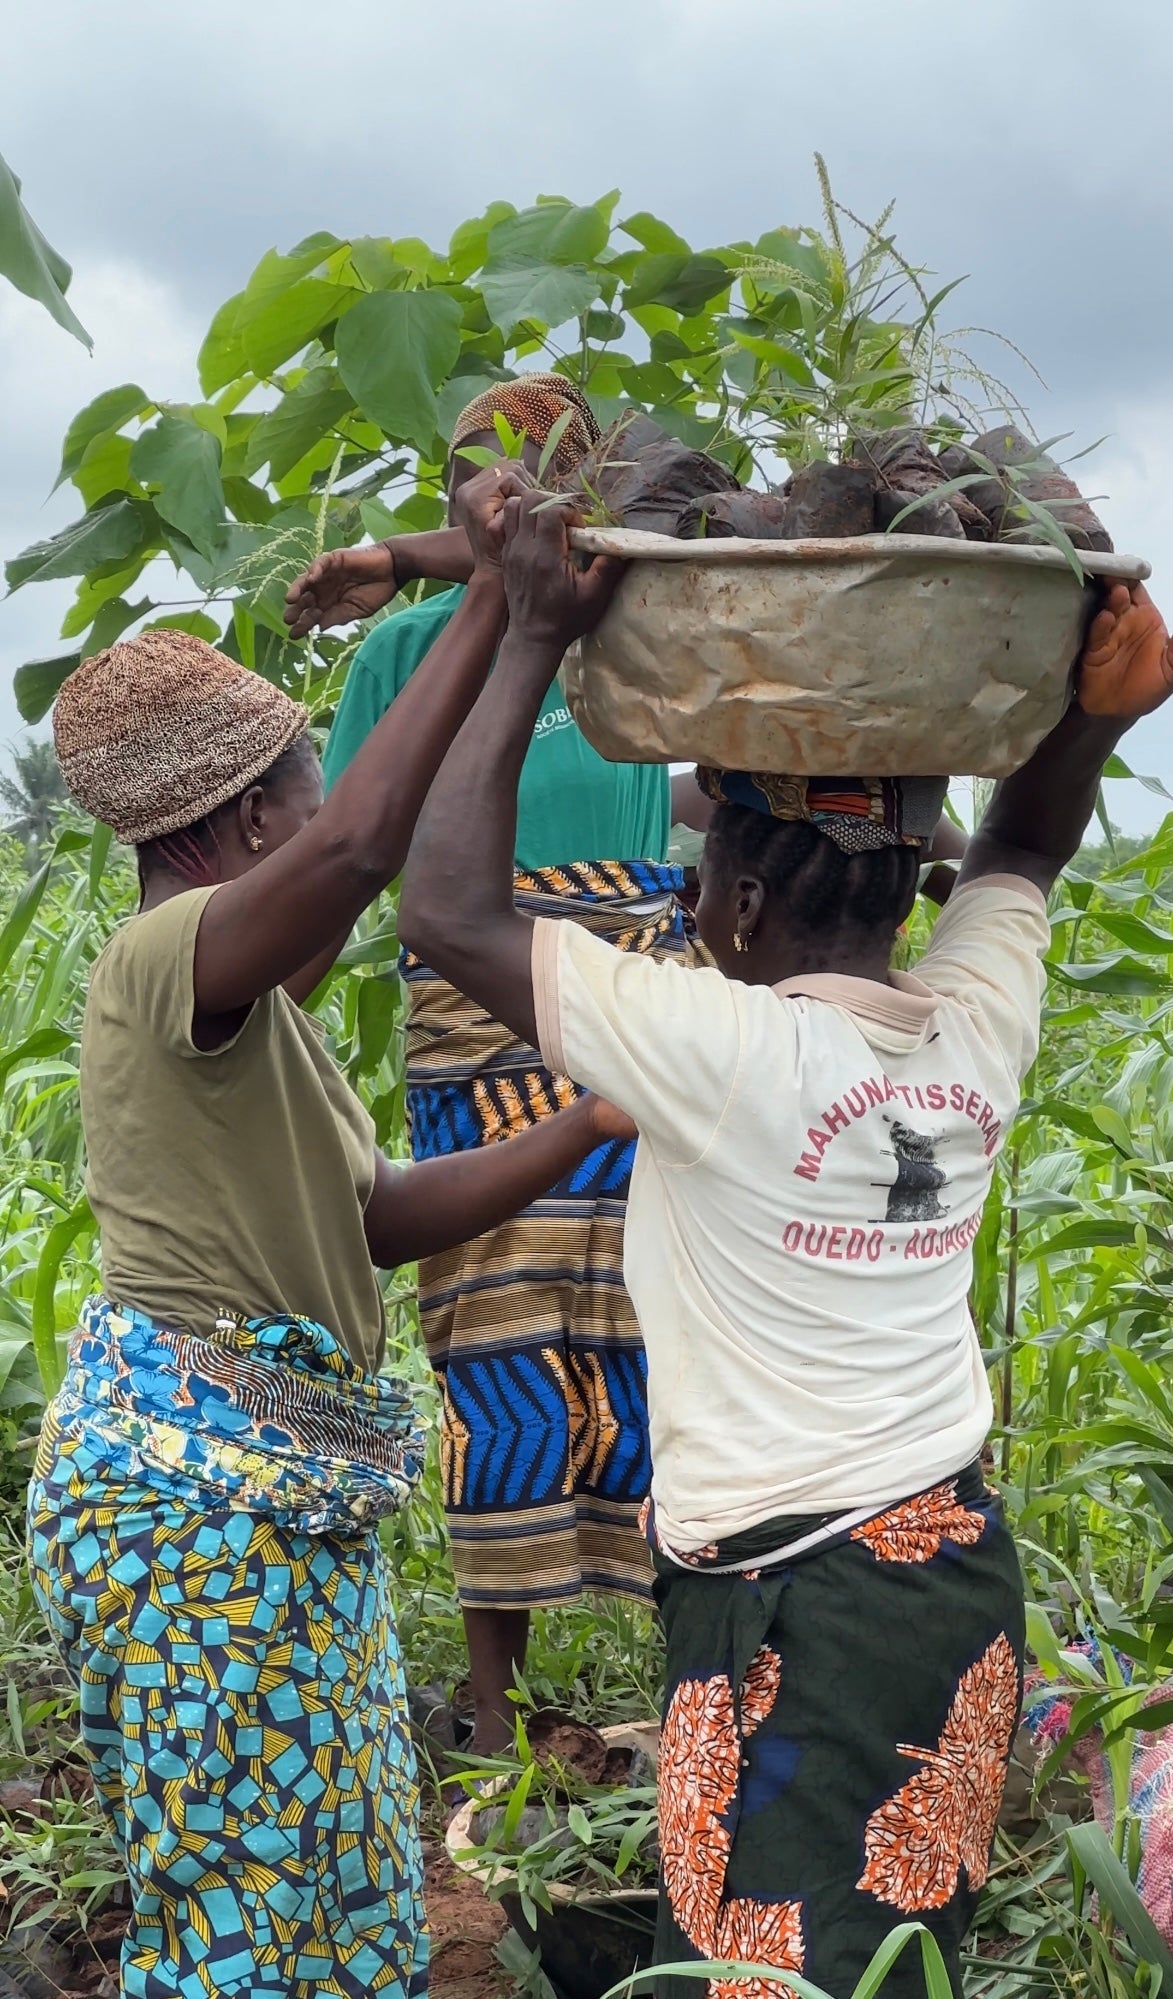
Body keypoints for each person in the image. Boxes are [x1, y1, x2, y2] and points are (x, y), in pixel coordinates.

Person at [397, 494, 1173, 1999]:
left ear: (743, 902)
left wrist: (530, 635)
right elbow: (1020, 847)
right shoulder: (974, 1022)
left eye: (701, 887)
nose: (688, 909)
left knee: (773, 1977)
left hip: (798, 1608)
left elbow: (445, 910)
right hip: (952, 1581)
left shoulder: (729, 1048)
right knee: (889, 1955)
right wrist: (1093, 718)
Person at [28, 479, 636, 1999]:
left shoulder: (252, 1024)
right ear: (250, 823)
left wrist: (590, 1117)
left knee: (346, 1875)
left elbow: (377, 1219)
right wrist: (498, 603)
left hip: (279, 1500)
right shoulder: (168, 955)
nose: (332, 838)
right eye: (311, 799)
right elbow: (366, 848)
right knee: (236, 1912)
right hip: (194, 1519)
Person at [285, 373, 710, 1754]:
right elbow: (356, 843)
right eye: (486, 472)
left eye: (547, 471)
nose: (512, 496)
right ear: (451, 490)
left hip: (635, 1012)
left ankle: (689, 1683)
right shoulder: (404, 658)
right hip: (477, 1027)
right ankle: (497, 1713)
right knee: (494, 1357)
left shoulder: (636, 627)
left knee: (665, 1341)